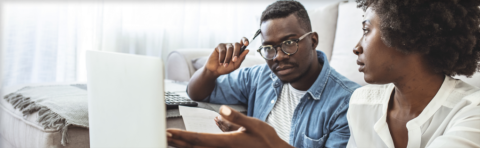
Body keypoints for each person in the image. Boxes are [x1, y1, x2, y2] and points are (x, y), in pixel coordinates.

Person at [168, 1, 360, 148]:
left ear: (313, 41)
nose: (278, 57)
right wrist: (210, 72)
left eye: (289, 43)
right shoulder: (259, 77)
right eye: (269, 48)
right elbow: (197, 93)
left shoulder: (347, 102)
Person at [347, 0, 480, 147]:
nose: (356, 48)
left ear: (402, 33)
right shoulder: (361, 104)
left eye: (366, 30)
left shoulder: (472, 110)